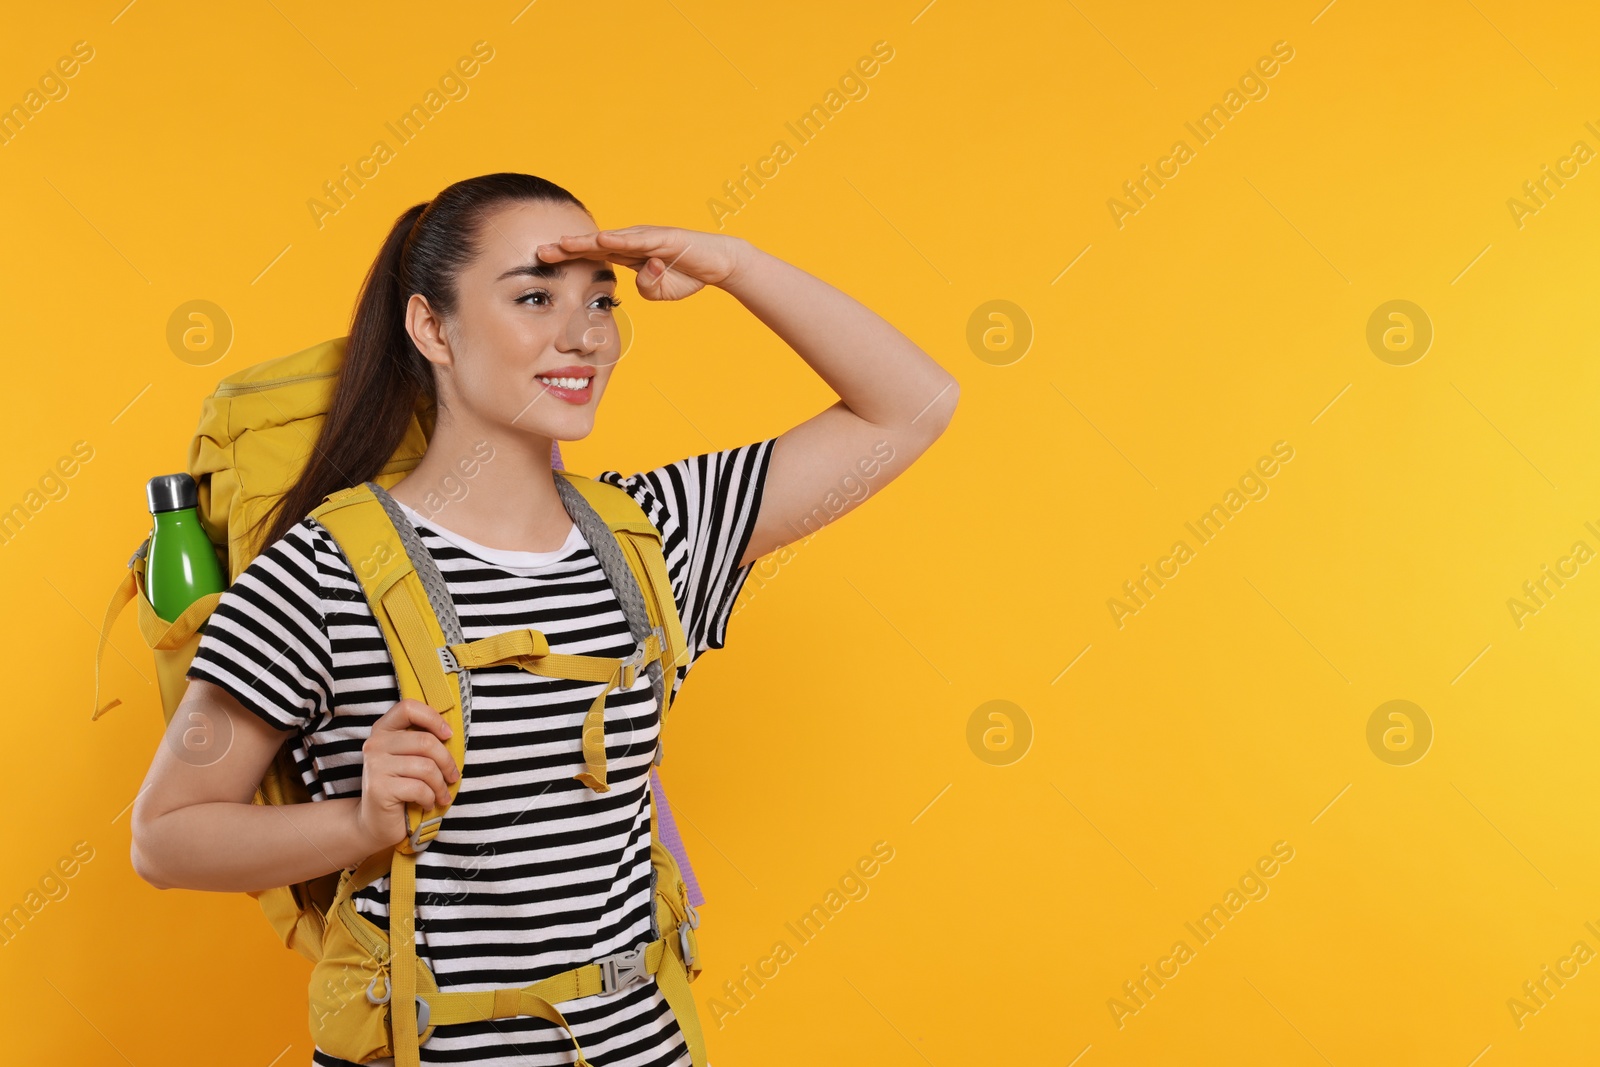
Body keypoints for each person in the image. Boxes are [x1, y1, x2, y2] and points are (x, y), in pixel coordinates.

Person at [129, 172, 959, 1065]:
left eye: (600, 303)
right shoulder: (323, 572)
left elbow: (912, 405)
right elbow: (166, 835)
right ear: (431, 328)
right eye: (534, 296)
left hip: (642, 1045)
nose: (583, 336)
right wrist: (358, 823)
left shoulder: (658, 535)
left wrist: (734, 265)